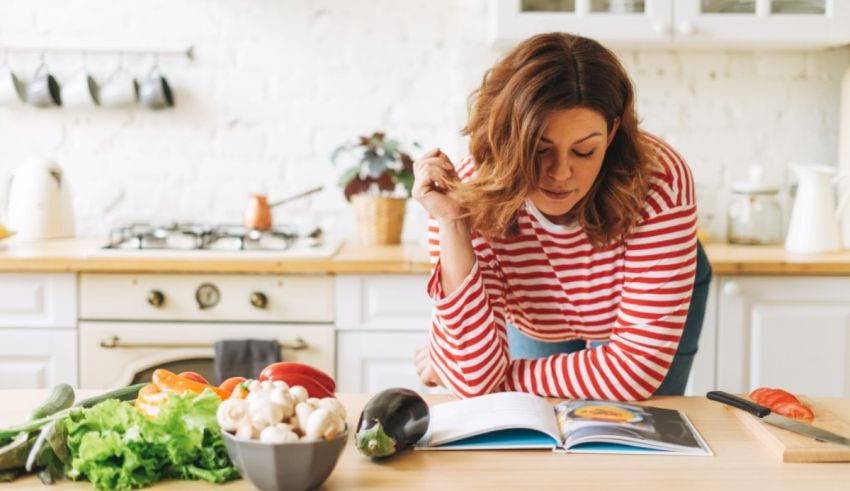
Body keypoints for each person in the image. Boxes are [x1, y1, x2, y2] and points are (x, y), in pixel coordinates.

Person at [411, 32, 711, 401]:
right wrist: (454, 222)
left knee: (636, 429)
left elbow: (634, 373)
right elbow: (475, 378)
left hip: (639, 297)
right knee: (539, 433)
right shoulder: (467, 195)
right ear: (509, 136)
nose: (560, 173)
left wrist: (494, 376)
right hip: (536, 310)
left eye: (584, 151)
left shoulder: (660, 180)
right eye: (540, 150)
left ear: (613, 131)